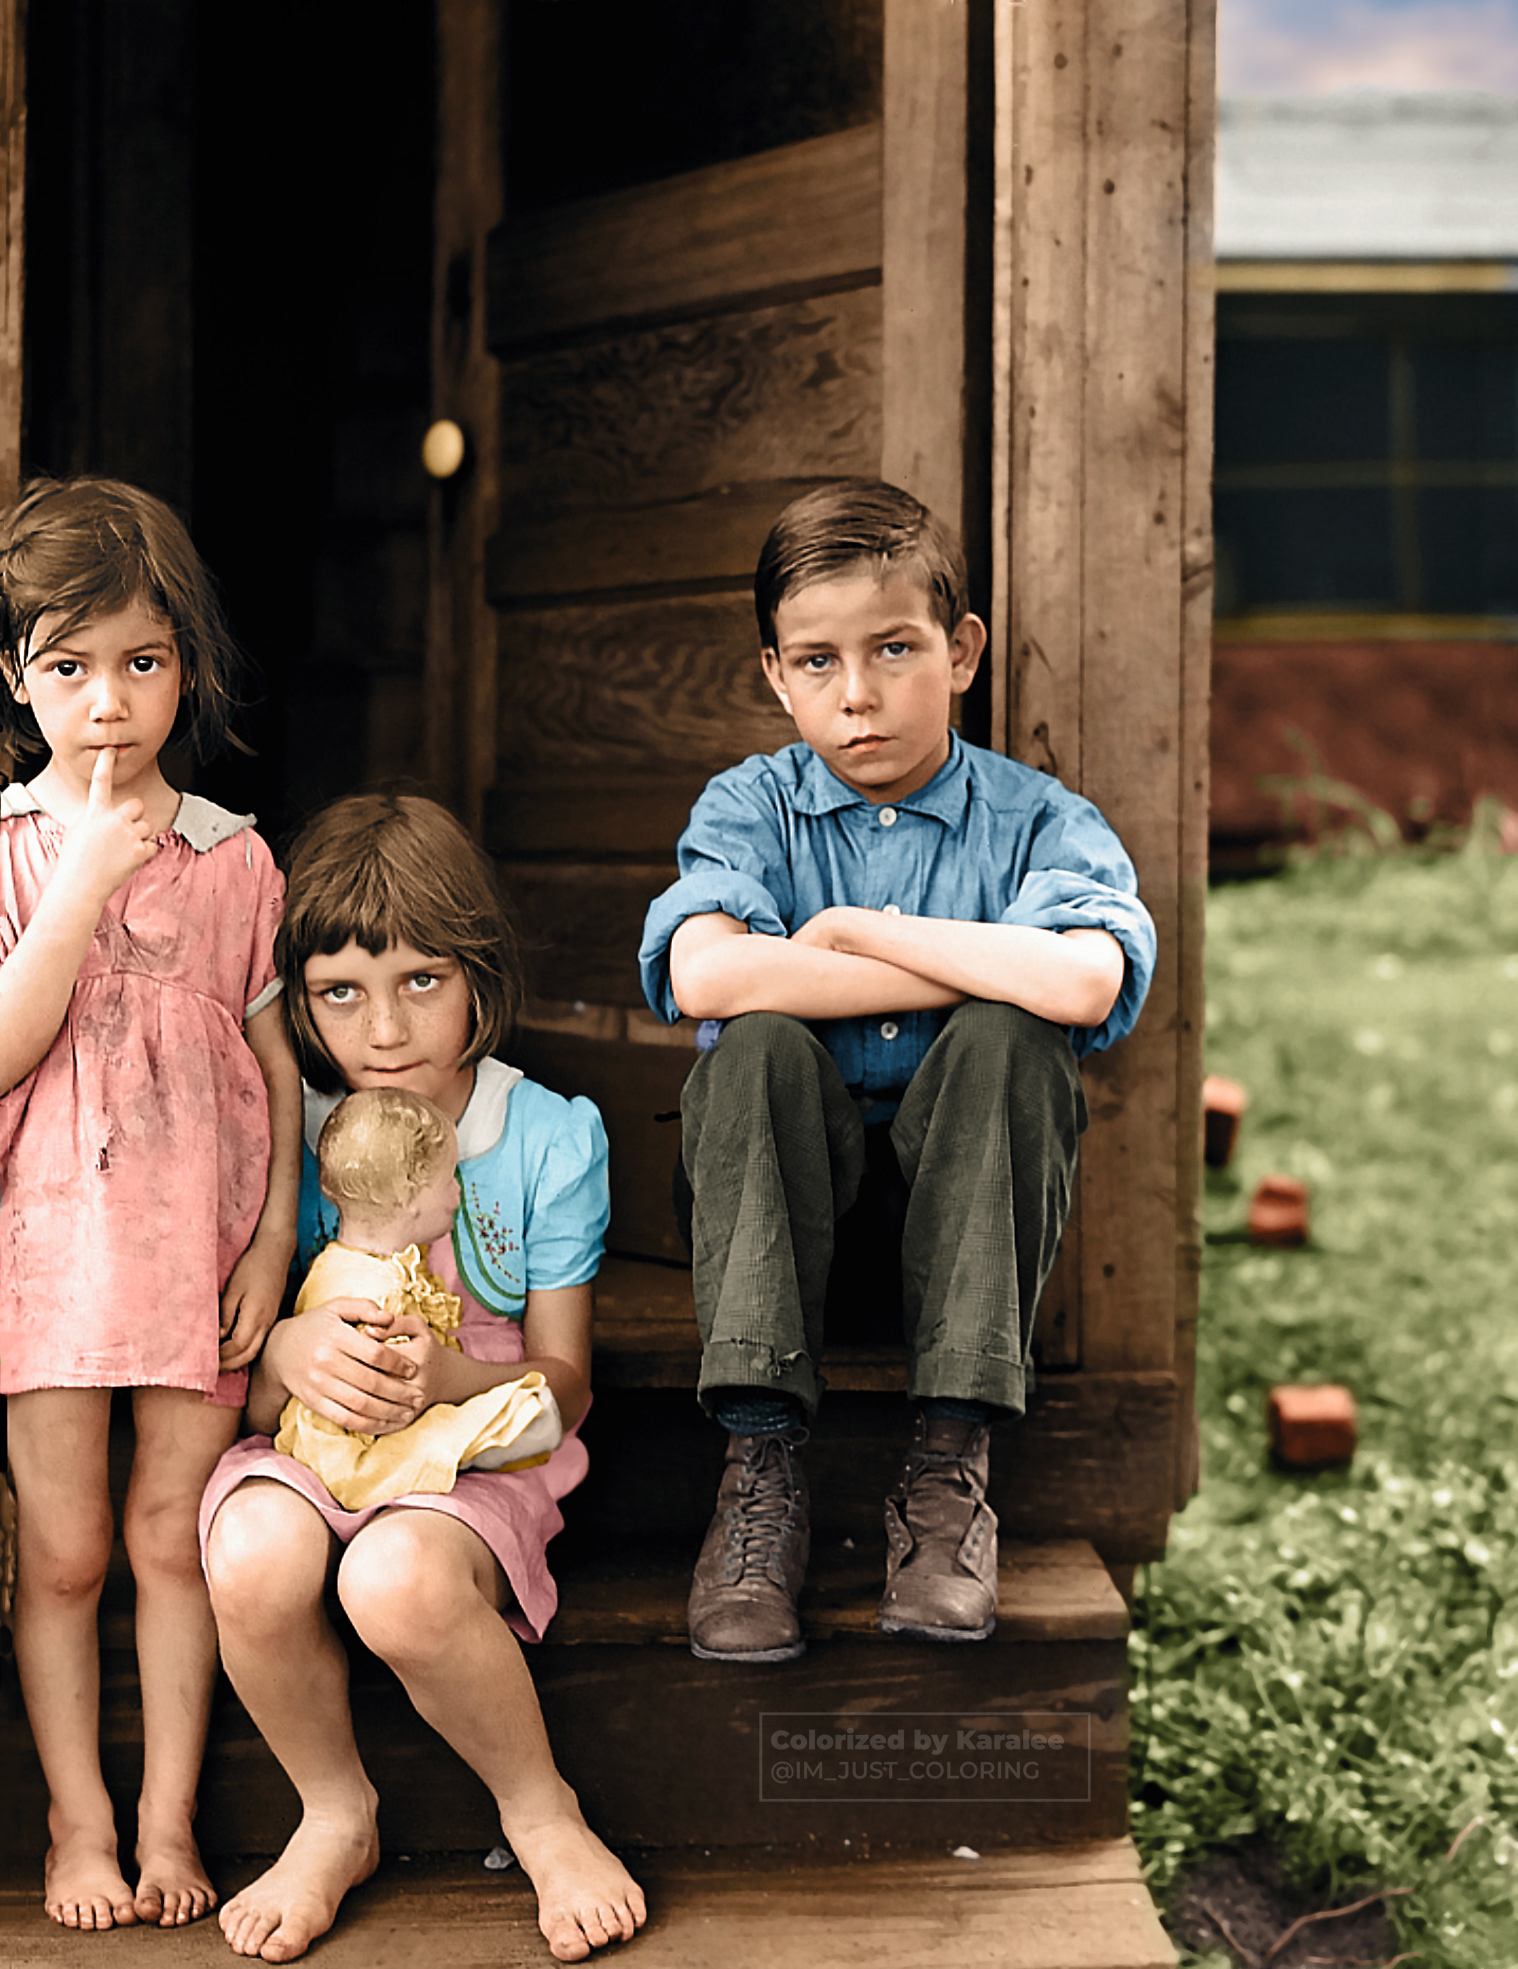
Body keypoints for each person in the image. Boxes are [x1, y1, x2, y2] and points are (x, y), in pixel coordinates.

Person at [638, 478, 1157, 1663]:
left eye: (893, 649)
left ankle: (947, 1476)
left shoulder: (1039, 821)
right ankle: (760, 1468)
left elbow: (1079, 988)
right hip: (777, 1245)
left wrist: (854, 933)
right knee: (760, 1045)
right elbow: (712, 977)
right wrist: (984, 960)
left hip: (964, 1250)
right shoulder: (752, 806)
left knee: (1015, 1038)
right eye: (815, 662)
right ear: (774, 674)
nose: (856, 693)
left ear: (961, 650)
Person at [199, 793, 646, 1965]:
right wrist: (291, 1352)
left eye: (421, 981)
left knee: (393, 1580)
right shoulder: (290, 1126)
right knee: (251, 1555)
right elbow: (245, 1386)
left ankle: (541, 1809)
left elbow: (565, 1385)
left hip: (474, 1443)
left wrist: (450, 1376)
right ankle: (334, 1810)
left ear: (479, 978)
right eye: (341, 991)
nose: (383, 1028)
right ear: (297, 1000)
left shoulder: (544, 1137)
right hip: (311, 1433)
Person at [0, 477, 303, 1929]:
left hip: (198, 1248)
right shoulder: (7, 852)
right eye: (68, 665)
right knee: (61, 1549)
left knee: (168, 1532)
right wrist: (77, 888)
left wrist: (276, 1233)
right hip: (45, 1256)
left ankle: (171, 1822)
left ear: (189, 664)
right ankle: (78, 1826)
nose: (109, 701)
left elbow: (274, 1066)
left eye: (143, 661)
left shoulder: (237, 856)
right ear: (16, 679)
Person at [277, 1086, 563, 1508]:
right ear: (409, 1195)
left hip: (369, 1427)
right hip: (349, 1451)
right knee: (518, 1416)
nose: (458, 1194)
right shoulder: (374, 1293)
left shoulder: (366, 1268)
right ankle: (456, 1449)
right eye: (448, 1179)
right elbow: (384, 1394)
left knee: (525, 1408)